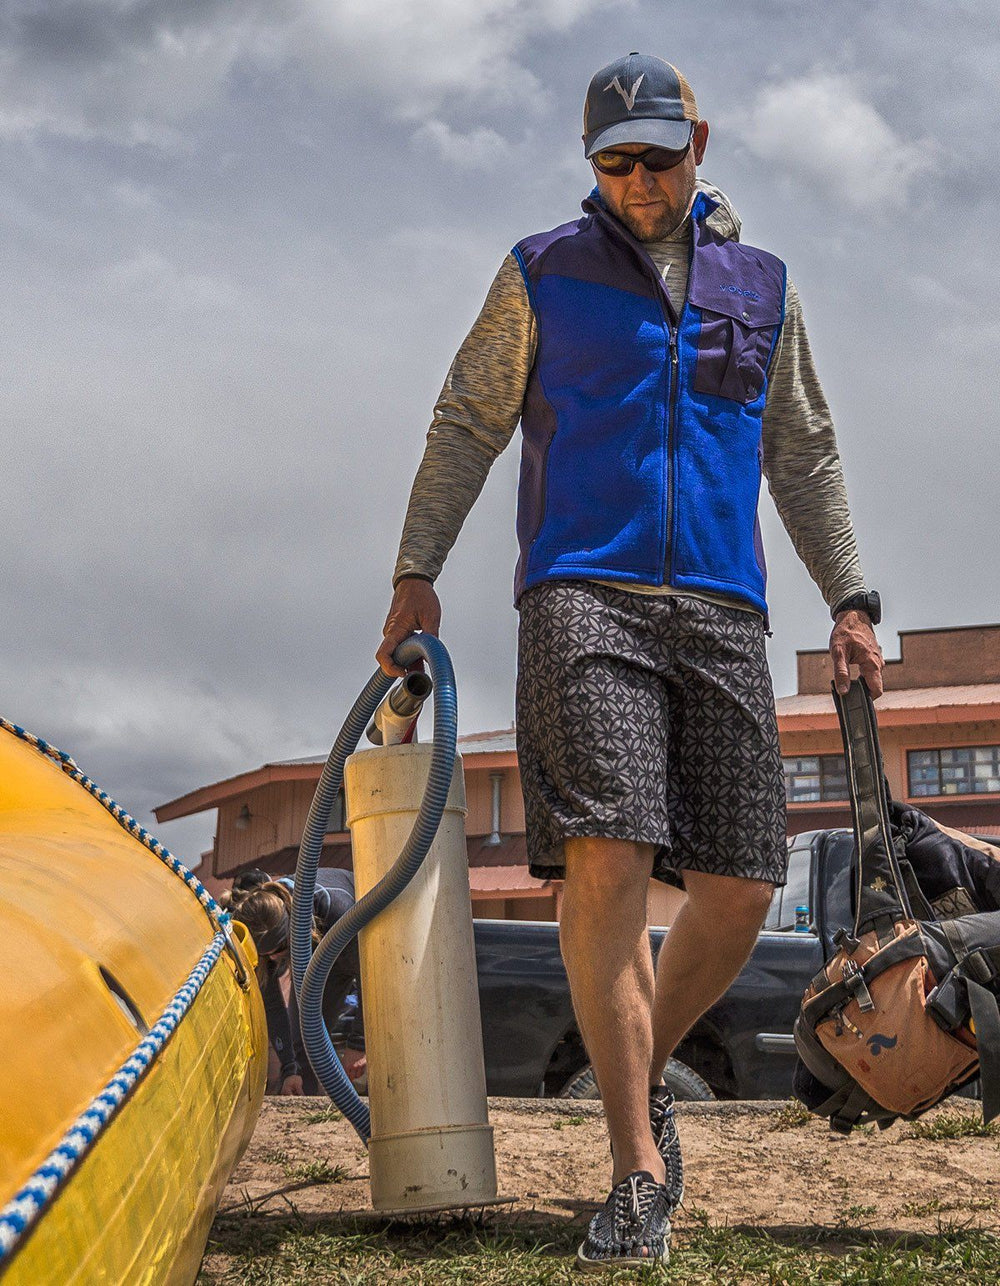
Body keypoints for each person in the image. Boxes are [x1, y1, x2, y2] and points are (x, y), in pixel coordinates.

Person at [377, 52, 884, 1270]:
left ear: (698, 144)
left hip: (722, 600)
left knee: (743, 880)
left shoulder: (760, 286)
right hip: (579, 591)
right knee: (605, 856)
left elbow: (802, 451)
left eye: (657, 157)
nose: (637, 181)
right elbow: (465, 421)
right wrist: (415, 569)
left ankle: (638, 1068)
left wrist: (849, 598)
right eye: (613, 163)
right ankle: (636, 1167)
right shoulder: (540, 271)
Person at [233, 870, 366, 1094]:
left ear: (293, 926)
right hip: (322, 954)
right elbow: (272, 1004)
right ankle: (305, 1095)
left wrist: (359, 1043)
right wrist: (289, 1069)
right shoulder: (261, 926)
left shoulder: (336, 906)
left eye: (280, 949)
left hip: (363, 943)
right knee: (305, 1038)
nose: (274, 959)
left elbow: (369, 978)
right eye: (267, 955)